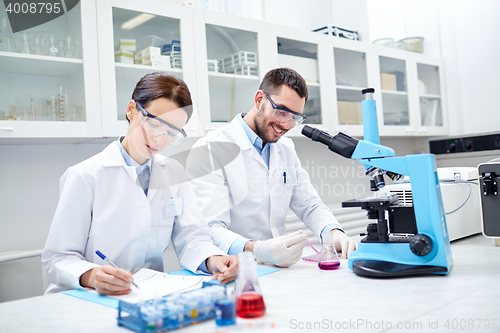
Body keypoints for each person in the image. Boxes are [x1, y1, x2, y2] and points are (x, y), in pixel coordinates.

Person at [42, 72, 238, 295]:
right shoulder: (85, 175)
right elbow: (57, 258)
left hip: (145, 294)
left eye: (172, 133)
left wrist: (214, 260)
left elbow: (192, 237)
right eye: (154, 124)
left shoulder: (173, 173)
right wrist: (92, 276)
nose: (160, 139)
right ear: (131, 110)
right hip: (89, 297)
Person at [187, 68, 357, 268]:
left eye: (295, 118)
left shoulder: (285, 148)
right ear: (259, 99)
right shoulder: (210, 149)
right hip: (235, 268)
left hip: (277, 269)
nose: (286, 124)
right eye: (282, 111)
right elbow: (211, 228)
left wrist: (333, 232)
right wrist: (257, 249)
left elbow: (309, 205)